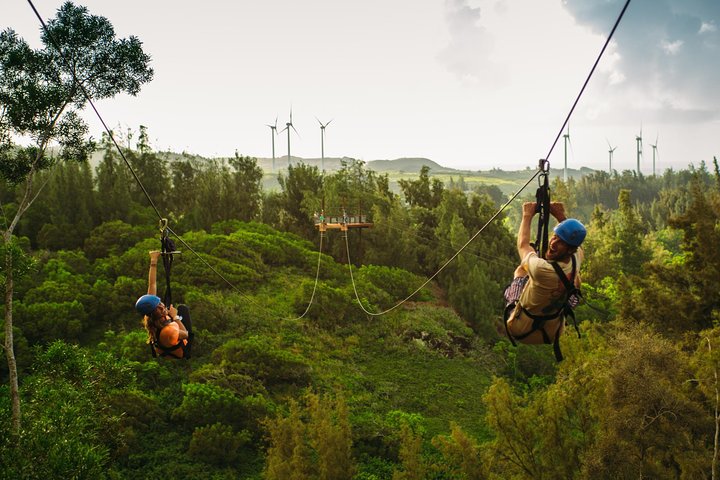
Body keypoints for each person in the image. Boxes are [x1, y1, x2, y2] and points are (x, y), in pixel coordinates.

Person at [504, 201, 586, 347]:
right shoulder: (576, 257)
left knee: (521, 271)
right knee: (576, 280)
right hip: (552, 332)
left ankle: (513, 306)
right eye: (555, 236)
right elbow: (576, 244)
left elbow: (523, 245)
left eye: (560, 242)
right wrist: (560, 215)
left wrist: (527, 215)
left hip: (520, 329)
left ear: (569, 249)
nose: (553, 243)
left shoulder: (542, 269)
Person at [135, 251, 194, 359]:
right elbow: (186, 334)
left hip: (167, 340)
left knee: (176, 310)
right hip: (181, 351)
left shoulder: (150, 314)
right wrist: (175, 317)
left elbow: (152, 284)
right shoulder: (168, 331)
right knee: (182, 309)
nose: (162, 303)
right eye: (160, 303)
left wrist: (153, 260)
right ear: (159, 308)